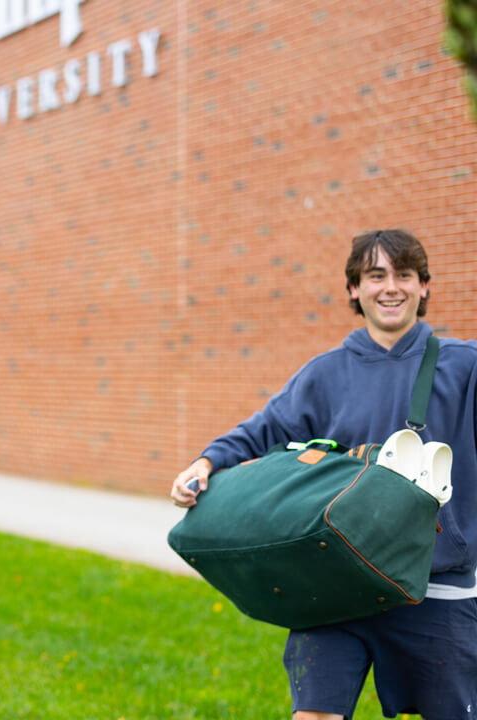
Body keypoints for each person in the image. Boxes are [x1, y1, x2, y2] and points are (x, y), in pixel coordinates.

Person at [170, 229, 477, 720]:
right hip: (337, 580)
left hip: (435, 587)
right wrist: (206, 462)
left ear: (425, 287)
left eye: (404, 274)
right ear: (355, 289)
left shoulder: (465, 366)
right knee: (315, 715)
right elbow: (262, 430)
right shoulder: (324, 373)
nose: (390, 287)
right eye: (375, 275)